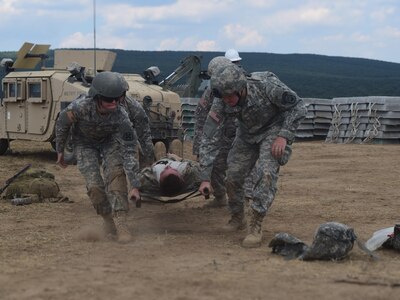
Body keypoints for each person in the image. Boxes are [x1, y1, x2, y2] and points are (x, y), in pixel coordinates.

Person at [198, 64, 307, 248]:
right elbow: (209, 136)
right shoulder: (221, 100)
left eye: (231, 95)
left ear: (241, 88)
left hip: (273, 130)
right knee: (232, 176)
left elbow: (298, 106)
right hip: (246, 134)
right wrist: (204, 177)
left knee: (265, 174)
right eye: (223, 96)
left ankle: (255, 225)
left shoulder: (266, 86)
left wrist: (284, 135)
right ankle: (237, 217)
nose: (228, 99)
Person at [56, 71, 141, 243]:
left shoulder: (121, 116)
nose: (114, 103)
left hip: (110, 142)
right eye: (109, 99)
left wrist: (135, 184)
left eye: (118, 98)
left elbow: (130, 148)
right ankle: (108, 220)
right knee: (94, 187)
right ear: (97, 97)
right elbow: (62, 123)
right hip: (84, 144)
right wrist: (60, 151)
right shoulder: (80, 107)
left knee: (116, 179)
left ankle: (122, 225)